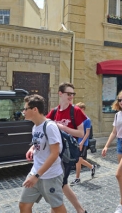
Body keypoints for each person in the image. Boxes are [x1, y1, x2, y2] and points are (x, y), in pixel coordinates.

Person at [19, 95, 66, 213]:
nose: (23, 112)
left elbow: (54, 154)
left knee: (57, 208)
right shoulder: (35, 127)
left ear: (35, 109)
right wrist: (32, 148)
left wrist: (36, 176)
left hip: (51, 176)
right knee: (23, 205)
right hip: (35, 172)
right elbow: (40, 142)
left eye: (25, 109)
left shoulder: (50, 126)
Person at [46, 82, 88, 213]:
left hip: (67, 154)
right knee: (62, 184)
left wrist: (63, 127)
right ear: (60, 94)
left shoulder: (75, 111)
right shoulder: (53, 112)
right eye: (68, 94)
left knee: (58, 185)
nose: (71, 96)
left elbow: (81, 133)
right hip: (54, 153)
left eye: (73, 94)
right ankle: (81, 210)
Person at [70, 102, 96, 185]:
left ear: (83, 109)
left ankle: (77, 178)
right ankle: (92, 167)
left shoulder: (87, 120)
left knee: (78, 160)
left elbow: (87, 133)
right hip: (76, 142)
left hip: (83, 142)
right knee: (79, 160)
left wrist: (82, 142)